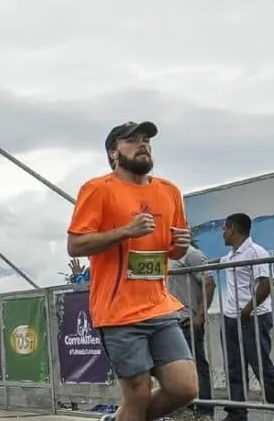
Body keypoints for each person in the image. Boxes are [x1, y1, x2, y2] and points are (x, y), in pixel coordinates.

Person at [66, 121, 198, 421]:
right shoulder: (98, 189)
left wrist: (181, 244)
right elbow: (75, 245)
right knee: (137, 394)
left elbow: (174, 251)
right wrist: (126, 231)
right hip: (118, 312)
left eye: (146, 140)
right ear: (114, 153)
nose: (143, 145)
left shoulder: (169, 191)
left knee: (184, 388)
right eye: (132, 140)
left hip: (159, 307)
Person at [220, 212, 274, 421]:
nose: (222, 233)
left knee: (260, 366)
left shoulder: (255, 252)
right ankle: (237, 413)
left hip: (253, 318)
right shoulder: (231, 255)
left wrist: (247, 309)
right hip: (230, 318)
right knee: (233, 366)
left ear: (232, 229)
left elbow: (266, 284)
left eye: (224, 229)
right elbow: (217, 262)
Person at [167, 245, 215, 421]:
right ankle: (184, 409)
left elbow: (209, 284)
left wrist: (199, 316)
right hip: (169, 322)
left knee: (197, 366)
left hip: (187, 321)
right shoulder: (163, 254)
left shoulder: (192, 254)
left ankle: (205, 412)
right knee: (176, 370)